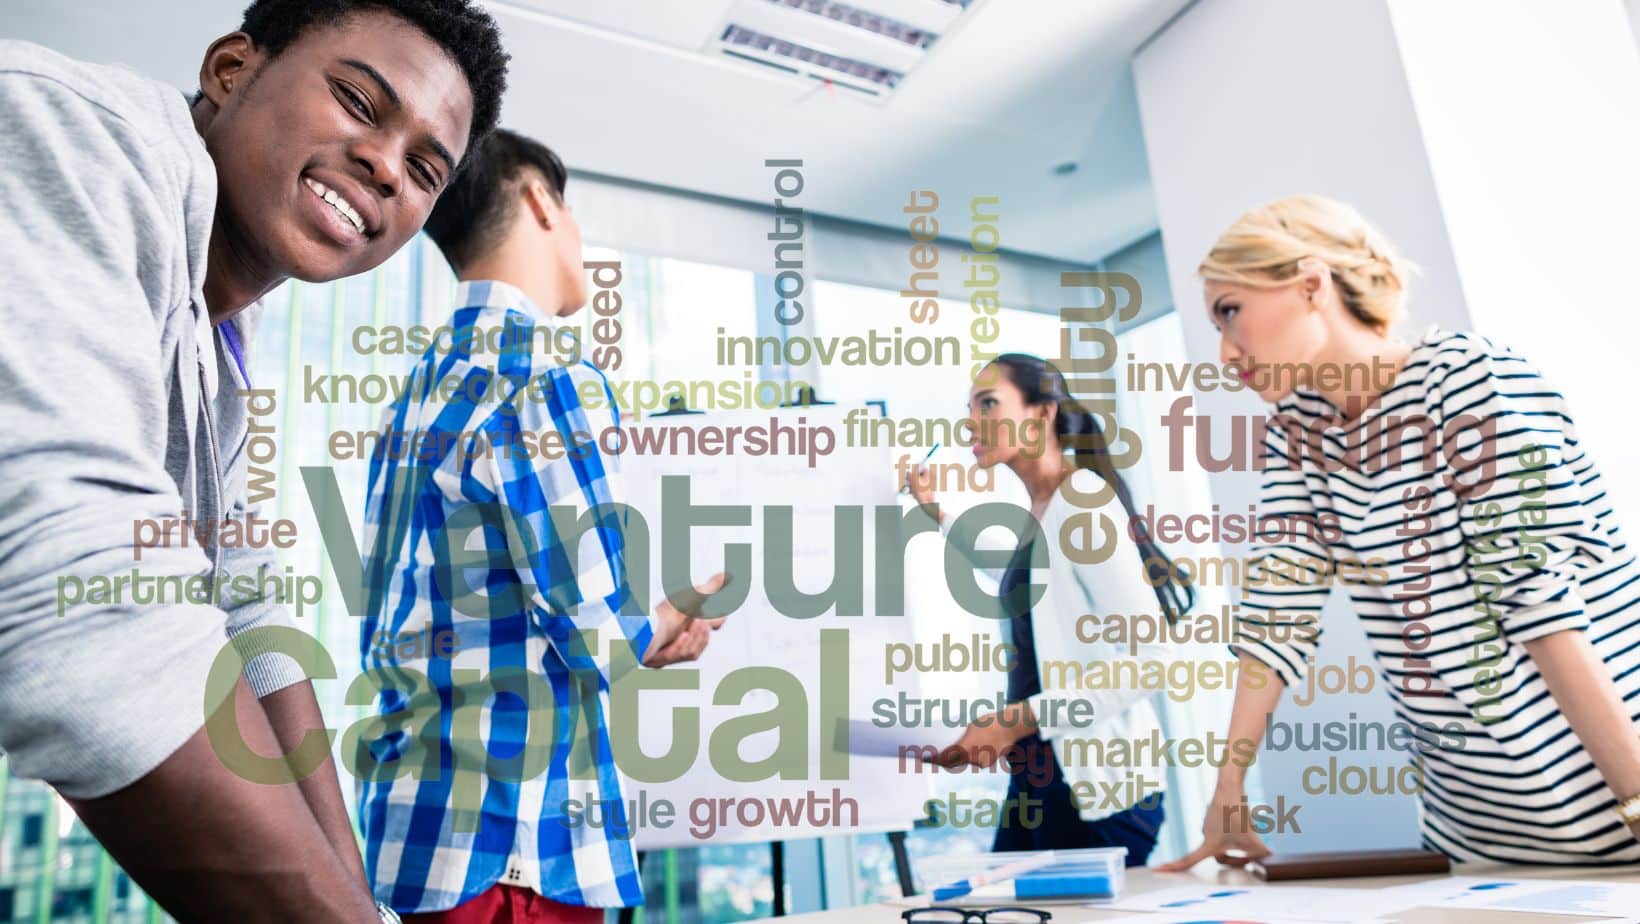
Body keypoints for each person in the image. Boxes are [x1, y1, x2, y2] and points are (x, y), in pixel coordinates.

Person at [0, 2, 506, 920]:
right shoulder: (66, 128)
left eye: (425, 169)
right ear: (232, 69)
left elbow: (246, 607)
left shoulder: (217, 337)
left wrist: (361, 905)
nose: (388, 167)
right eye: (358, 100)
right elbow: (77, 600)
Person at [1157, 194, 1640, 869]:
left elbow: (1543, 604)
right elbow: (1277, 614)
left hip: (1615, 802)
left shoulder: (1470, 380)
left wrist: (1637, 798)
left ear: (1310, 284)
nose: (1225, 349)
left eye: (1230, 310)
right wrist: (1229, 789)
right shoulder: (1299, 433)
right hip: (1477, 837)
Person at [355, 129, 727, 923]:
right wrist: (667, 619)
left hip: (418, 838)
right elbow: (595, 633)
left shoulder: (413, 396)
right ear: (538, 200)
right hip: (513, 853)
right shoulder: (546, 378)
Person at [907, 354, 1195, 866]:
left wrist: (1015, 720)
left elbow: (1158, 659)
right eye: (969, 407)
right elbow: (1023, 581)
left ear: (1042, 414)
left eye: (988, 403)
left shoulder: (1081, 501)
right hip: (1039, 774)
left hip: (1095, 791)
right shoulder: (1043, 511)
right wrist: (937, 512)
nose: (971, 421)